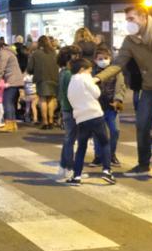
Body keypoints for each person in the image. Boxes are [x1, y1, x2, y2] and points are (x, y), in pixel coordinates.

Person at [95, 6, 152, 178]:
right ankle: (143, 164)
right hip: (149, 86)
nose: (128, 23)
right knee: (142, 124)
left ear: (144, 17)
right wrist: (98, 78)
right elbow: (118, 64)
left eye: (131, 19)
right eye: (127, 20)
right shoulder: (130, 40)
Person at [66, 58, 116, 186]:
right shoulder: (85, 78)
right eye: (89, 70)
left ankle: (76, 176)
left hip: (81, 118)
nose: (91, 72)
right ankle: (106, 171)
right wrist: (93, 83)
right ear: (82, 69)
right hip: (94, 114)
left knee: (81, 147)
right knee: (104, 142)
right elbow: (97, 93)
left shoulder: (71, 82)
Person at [90, 46, 125, 167]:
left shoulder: (115, 71)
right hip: (96, 107)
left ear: (110, 58)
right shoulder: (91, 72)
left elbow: (121, 87)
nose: (103, 60)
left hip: (112, 106)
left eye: (106, 58)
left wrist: (118, 100)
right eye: (100, 58)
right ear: (95, 60)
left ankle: (111, 155)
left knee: (115, 131)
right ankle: (98, 156)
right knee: (97, 133)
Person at [56, 45, 82, 180]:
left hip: (66, 108)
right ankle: (69, 168)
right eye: (76, 55)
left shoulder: (63, 72)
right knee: (70, 140)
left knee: (68, 139)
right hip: (72, 109)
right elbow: (71, 93)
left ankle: (63, 166)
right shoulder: (69, 74)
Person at [26, 35, 59, 130]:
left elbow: (30, 68)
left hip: (41, 79)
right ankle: (51, 121)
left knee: (43, 99)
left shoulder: (36, 54)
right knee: (51, 99)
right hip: (54, 78)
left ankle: (45, 122)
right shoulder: (54, 53)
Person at [0, 37, 24, 132]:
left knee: (6, 102)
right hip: (16, 79)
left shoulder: (3, 53)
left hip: (12, 80)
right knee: (10, 102)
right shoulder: (9, 52)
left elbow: (1, 69)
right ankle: (12, 124)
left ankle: (8, 124)